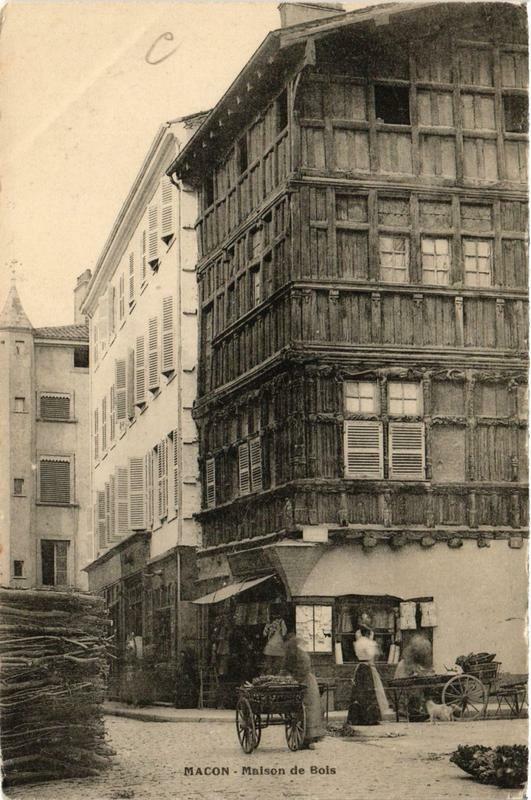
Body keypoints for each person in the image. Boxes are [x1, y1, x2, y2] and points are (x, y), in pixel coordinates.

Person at [283, 634, 325, 749]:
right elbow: (304, 668)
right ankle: (309, 737)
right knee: (310, 708)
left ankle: (306, 738)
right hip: (307, 682)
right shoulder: (300, 653)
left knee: (307, 708)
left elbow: (289, 667)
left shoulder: (293, 653)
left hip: (301, 681)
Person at [347, 625, 393, 725]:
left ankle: (357, 718)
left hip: (360, 667)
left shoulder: (358, 642)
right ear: (367, 633)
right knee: (370, 692)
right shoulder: (369, 643)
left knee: (358, 692)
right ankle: (369, 718)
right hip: (367, 667)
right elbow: (373, 654)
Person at [394, 634, 434, 721]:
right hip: (404, 685)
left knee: (420, 686)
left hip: (405, 684)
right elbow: (409, 674)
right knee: (419, 688)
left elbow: (416, 672)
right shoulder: (406, 664)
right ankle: (415, 711)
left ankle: (418, 711)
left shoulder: (409, 662)